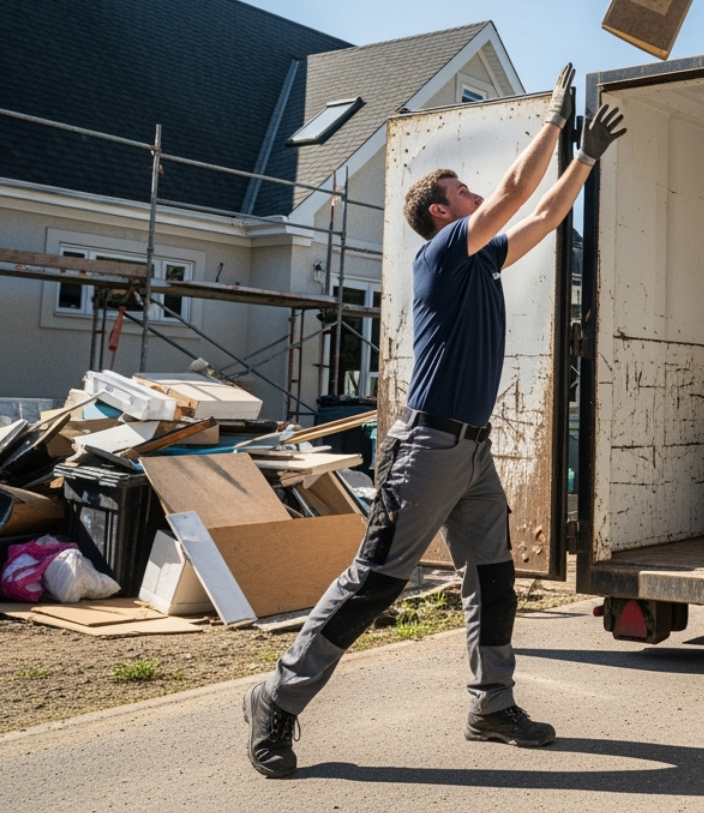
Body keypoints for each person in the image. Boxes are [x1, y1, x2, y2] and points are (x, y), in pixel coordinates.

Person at [242, 63, 625, 778]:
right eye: (462, 192)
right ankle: (277, 699)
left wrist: (585, 158)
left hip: (471, 453)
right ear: (443, 215)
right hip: (426, 448)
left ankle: (491, 705)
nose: (476, 195)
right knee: (376, 579)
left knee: (495, 577)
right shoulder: (442, 255)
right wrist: (552, 116)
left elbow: (540, 216)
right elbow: (515, 193)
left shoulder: (480, 263)